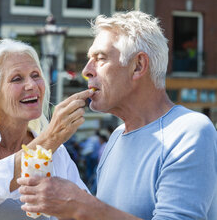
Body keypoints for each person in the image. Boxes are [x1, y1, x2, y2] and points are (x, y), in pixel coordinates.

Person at [18, 11, 217, 219]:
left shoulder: (190, 131)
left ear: (138, 66)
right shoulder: (116, 137)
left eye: (100, 59)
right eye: (89, 60)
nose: (86, 70)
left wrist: (80, 206)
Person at [0, 39, 93, 220]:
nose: (31, 85)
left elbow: (86, 209)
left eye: (36, 75)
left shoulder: (57, 152)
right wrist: (48, 140)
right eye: (17, 78)